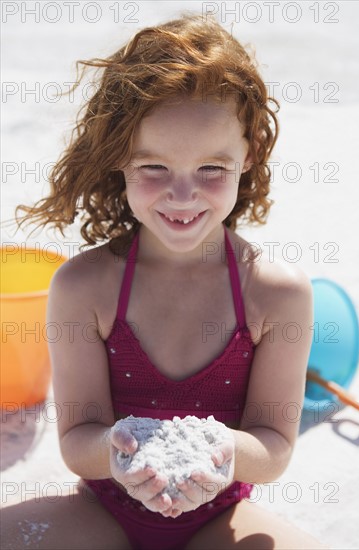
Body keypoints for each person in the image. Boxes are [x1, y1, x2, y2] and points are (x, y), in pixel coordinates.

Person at [2, 13, 327, 550]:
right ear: (120, 160)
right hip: (102, 512)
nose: (182, 196)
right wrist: (119, 449)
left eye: (211, 169)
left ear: (246, 157)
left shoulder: (277, 293)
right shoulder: (84, 286)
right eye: (154, 167)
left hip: (220, 520)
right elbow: (78, 439)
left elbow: (274, 449)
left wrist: (219, 451)